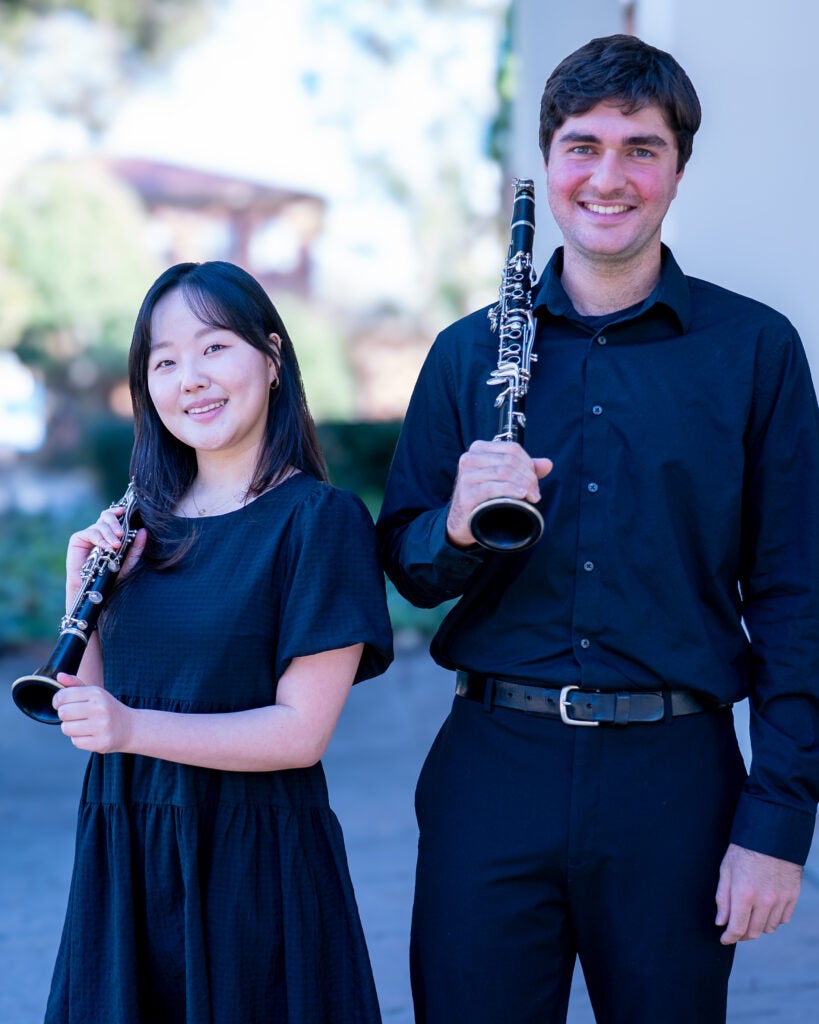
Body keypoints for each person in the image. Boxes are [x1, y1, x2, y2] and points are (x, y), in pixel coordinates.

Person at [377, 33, 819, 1024]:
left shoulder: (755, 351)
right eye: (582, 146)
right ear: (548, 161)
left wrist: (778, 820)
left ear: (677, 169)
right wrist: (454, 526)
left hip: (677, 781)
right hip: (493, 768)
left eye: (640, 148)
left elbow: (799, 599)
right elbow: (406, 563)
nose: (607, 177)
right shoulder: (465, 355)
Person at [45, 260, 393, 1023]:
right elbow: (91, 715)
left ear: (271, 358)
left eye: (212, 348)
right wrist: (81, 583)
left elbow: (299, 734)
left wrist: (133, 729)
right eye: (164, 362)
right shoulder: (140, 525)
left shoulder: (320, 522)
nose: (190, 379)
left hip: (251, 867)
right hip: (127, 856)